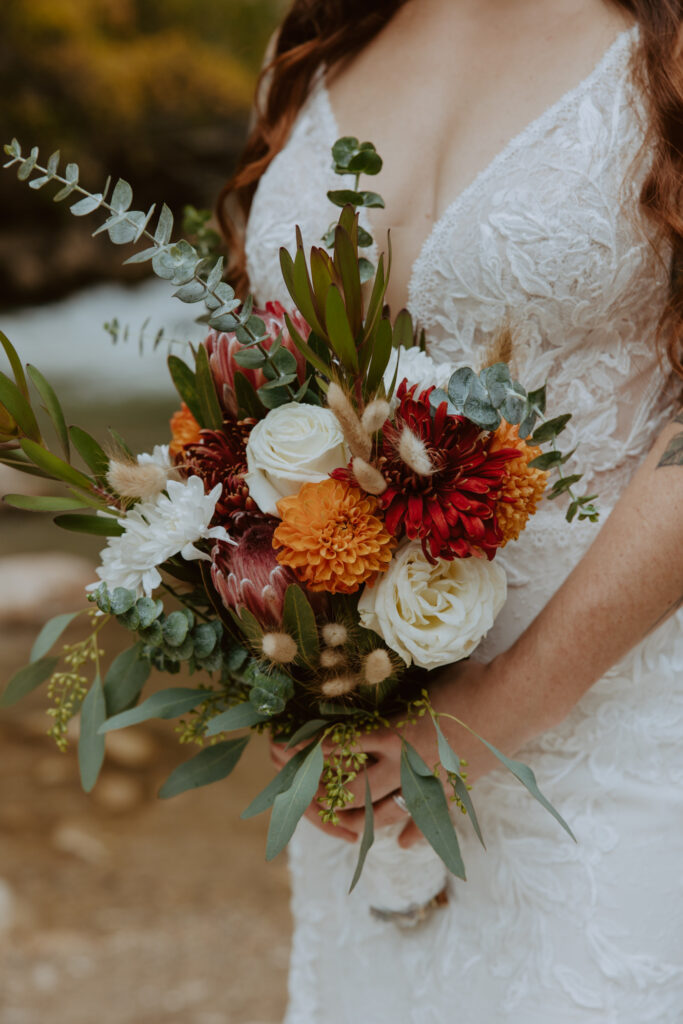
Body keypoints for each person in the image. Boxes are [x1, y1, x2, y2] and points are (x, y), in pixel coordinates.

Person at [218, 1, 683, 1020]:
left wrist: (500, 707)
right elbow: (264, 398)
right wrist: (285, 659)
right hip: (369, 748)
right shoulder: (318, 34)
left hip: (616, 739)